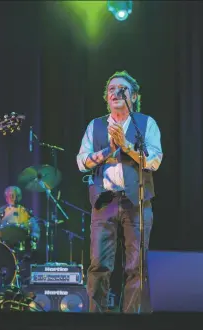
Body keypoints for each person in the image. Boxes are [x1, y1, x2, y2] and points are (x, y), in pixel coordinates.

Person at [77, 70, 163, 313]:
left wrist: (126, 147)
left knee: (136, 266)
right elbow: (81, 161)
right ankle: (96, 319)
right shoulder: (95, 125)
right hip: (104, 202)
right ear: (106, 97)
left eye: (122, 89)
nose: (116, 93)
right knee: (99, 265)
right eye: (111, 89)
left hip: (137, 201)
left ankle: (131, 320)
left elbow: (154, 161)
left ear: (133, 96)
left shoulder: (146, 123)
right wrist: (108, 151)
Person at [0, 186, 40, 253]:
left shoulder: (25, 211)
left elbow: (35, 227)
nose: (13, 198)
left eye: (16, 195)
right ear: (6, 197)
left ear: (20, 197)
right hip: (4, 243)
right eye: (11, 195)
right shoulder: (1, 211)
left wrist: (35, 236)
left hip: (22, 243)